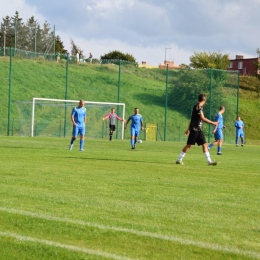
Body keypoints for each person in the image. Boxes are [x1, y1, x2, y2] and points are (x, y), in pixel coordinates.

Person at [176, 93, 218, 166]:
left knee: (204, 144)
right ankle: (179, 159)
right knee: (189, 145)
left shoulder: (198, 106)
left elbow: (192, 119)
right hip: (195, 129)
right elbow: (202, 118)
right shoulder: (198, 107)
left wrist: (188, 128)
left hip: (198, 129)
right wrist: (213, 123)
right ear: (204, 100)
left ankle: (209, 161)